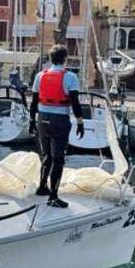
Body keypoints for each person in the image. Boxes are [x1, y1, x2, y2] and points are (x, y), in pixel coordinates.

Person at [29, 44, 85, 209]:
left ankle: (41, 187)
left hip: (42, 119)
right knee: (58, 159)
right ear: (65, 59)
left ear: (51, 59)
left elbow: (33, 101)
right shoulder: (71, 77)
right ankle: (53, 196)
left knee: (46, 156)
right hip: (59, 120)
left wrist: (32, 121)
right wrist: (80, 122)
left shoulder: (40, 75)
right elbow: (75, 102)